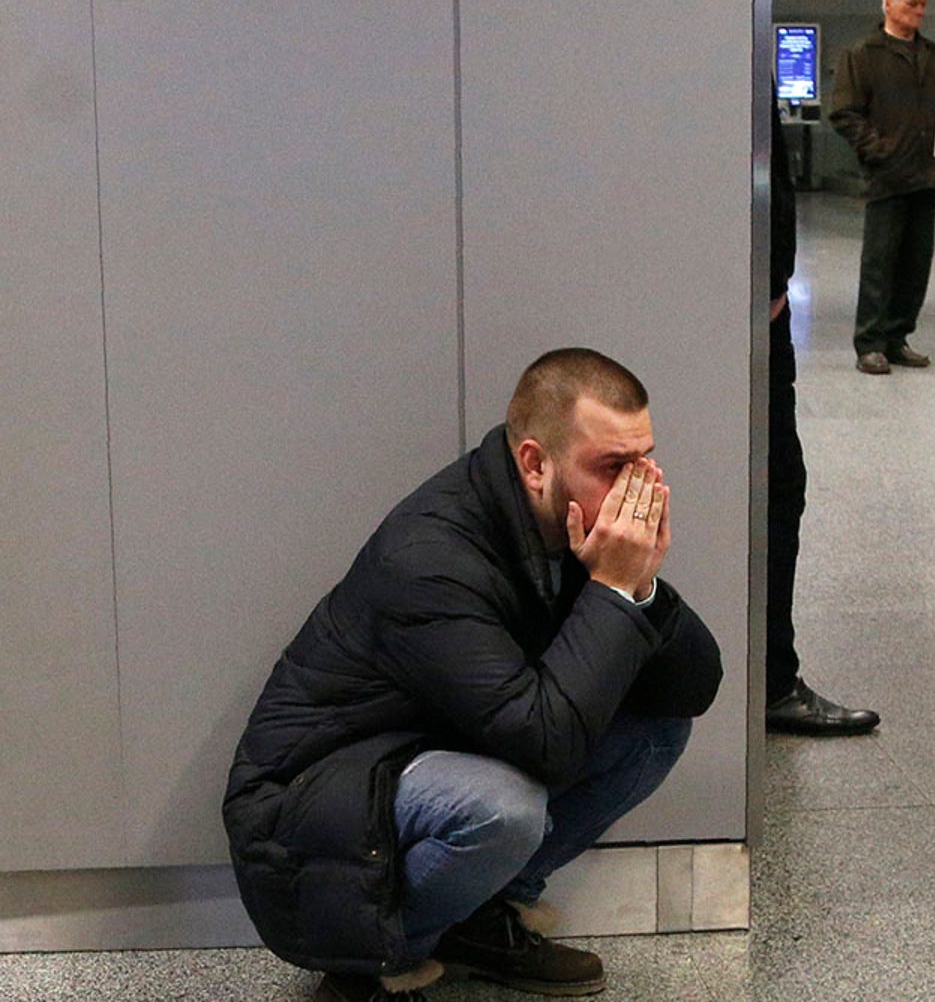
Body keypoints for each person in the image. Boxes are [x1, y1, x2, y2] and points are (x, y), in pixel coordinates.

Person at [224, 348, 725, 1001]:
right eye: (612, 467)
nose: (638, 490)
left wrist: (641, 587)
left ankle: (481, 918)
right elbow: (546, 744)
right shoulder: (433, 558)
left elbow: (693, 689)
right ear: (535, 464)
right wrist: (611, 588)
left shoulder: (568, 523)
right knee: (502, 810)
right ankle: (379, 955)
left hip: (427, 755)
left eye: (644, 461)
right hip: (314, 807)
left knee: (655, 733)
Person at [767, 111, 882, 736]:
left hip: (756, 298)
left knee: (779, 485)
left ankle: (767, 673)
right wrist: (767, 280)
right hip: (747, 305)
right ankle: (770, 680)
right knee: (775, 487)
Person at [827, 0, 935, 376]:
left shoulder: (934, 54)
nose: (919, 11)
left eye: (922, 4)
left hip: (927, 172)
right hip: (888, 175)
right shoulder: (862, 55)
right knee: (880, 262)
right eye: (911, 4)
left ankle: (898, 336)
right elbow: (844, 112)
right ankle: (869, 342)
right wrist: (877, 150)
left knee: (916, 263)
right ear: (888, 5)